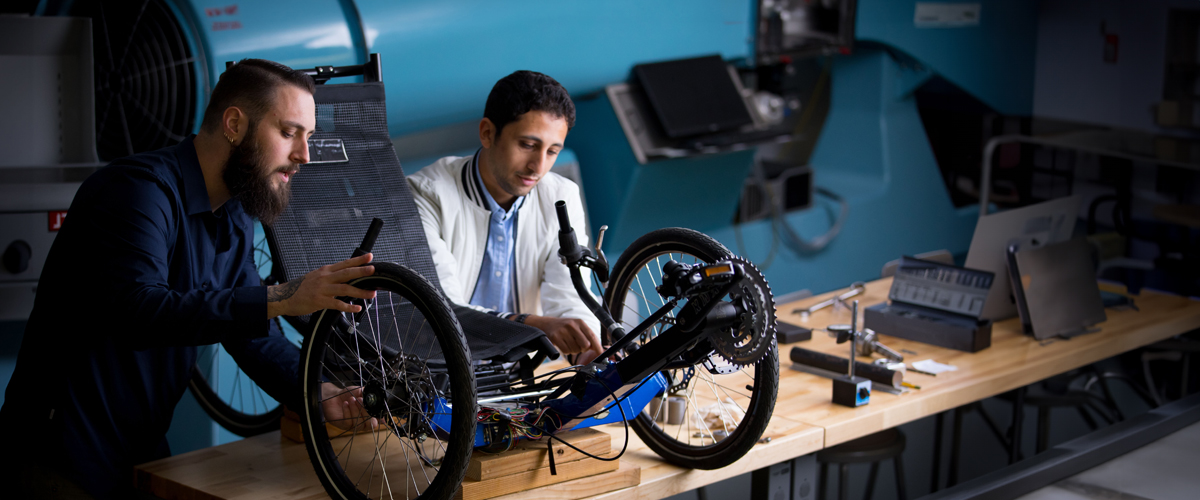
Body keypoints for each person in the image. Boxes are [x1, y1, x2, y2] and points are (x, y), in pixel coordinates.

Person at [0, 59, 375, 499]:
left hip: (138, 451)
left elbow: (252, 337)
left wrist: (318, 391)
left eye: (308, 137)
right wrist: (284, 295)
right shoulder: (138, 192)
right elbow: (140, 312)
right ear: (234, 124)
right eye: (289, 132)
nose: (304, 155)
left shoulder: (232, 212)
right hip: (58, 456)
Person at [408, 70, 604, 365]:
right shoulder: (425, 194)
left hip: (522, 376)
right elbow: (444, 311)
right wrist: (535, 324)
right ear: (487, 132)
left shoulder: (561, 195)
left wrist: (586, 352)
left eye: (552, 151)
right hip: (441, 372)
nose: (538, 166)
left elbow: (570, 296)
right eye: (527, 145)